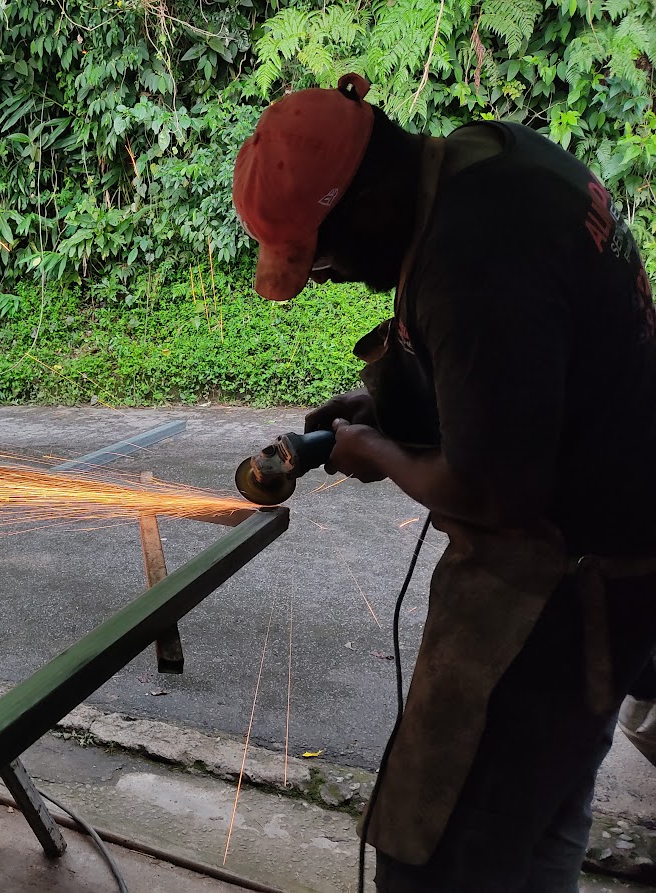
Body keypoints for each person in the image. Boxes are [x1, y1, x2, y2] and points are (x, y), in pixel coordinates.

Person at [232, 74, 656, 891]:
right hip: (623, 561)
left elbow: (497, 490)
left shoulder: (469, 258)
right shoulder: (490, 161)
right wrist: (378, 403)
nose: (331, 276)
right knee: (537, 827)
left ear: (366, 203)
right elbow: (523, 373)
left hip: (565, 590)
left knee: (437, 850)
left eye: (322, 255)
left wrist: (374, 452)